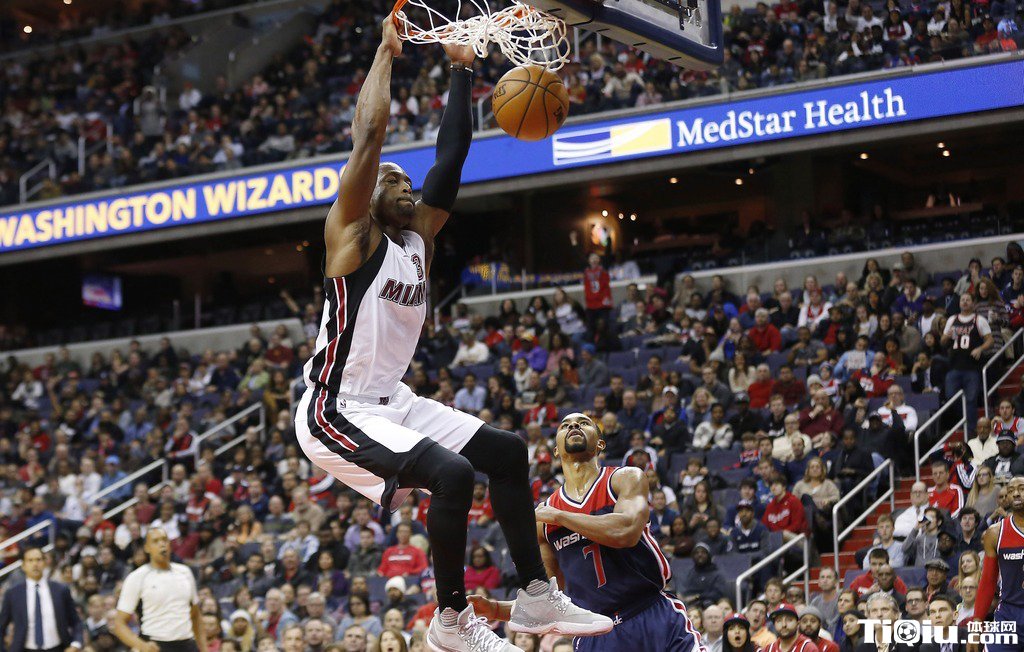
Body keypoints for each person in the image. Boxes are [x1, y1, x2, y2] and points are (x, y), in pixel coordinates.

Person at [292, 20, 606, 652]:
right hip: (334, 408)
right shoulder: (351, 237)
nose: (405, 187)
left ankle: (536, 596)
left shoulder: (419, 239)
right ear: (367, 195)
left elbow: (452, 154)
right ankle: (451, 619)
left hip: (392, 400)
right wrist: (386, 53)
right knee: (455, 474)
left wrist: (462, 68)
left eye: (409, 184)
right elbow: (369, 137)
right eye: (392, 182)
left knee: (508, 452)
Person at [468, 413, 698, 651]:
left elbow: (626, 531)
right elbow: (548, 602)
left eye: (584, 423)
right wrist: (496, 609)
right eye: (565, 425)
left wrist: (561, 517)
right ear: (556, 450)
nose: (574, 425)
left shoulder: (624, 478)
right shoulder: (544, 520)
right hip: (596, 633)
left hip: (652, 615)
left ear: (600, 444)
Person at [110, 529, 208, 652]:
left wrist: (204, 649)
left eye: (164, 540)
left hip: (187, 644)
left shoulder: (185, 572)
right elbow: (119, 624)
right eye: (155, 541)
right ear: (147, 548)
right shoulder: (137, 577)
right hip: (155, 644)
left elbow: (196, 616)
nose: (162, 544)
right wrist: (142, 646)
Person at [971, 476, 1024, 652]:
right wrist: (976, 625)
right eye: (1011, 491)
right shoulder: (995, 533)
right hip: (1009, 614)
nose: (1016, 494)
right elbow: (988, 581)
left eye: (1022, 488)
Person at [0, 547, 83, 652]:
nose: (35, 564)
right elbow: (1, 626)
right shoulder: (13, 593)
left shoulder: (61, 590)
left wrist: (75, 644)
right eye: (30, 560)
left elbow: (76, 621)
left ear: (44, 563)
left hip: (58, 648)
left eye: (38, 560)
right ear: (23, 565)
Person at [941, 294, 994, 434]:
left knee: (971, 399)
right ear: (959, 303)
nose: (965, 302)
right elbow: (942, 341)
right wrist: (947, 336)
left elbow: (990, 340)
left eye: (968, 300)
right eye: (962, 300)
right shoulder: (952, 319)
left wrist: (980, 348)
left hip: (972, 367)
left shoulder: (979, 319)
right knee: (950, 396)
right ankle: (964, 421)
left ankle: (970, 430)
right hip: (954, 366)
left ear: (973, 303)